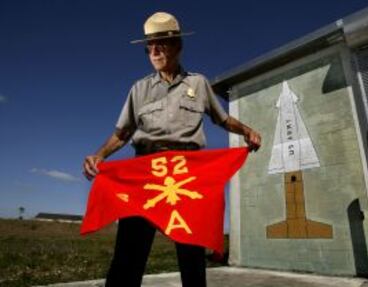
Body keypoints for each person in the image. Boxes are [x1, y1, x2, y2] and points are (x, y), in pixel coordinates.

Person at [82, 11, 261, 287]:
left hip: (187, 174)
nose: (153, 51)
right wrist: (100, 155)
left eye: (160, 44)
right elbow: (122, 134)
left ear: (177, 45)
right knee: (128, 256)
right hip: (145, 174)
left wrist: (246, 130)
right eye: (149, 46)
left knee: (191, 255)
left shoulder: (198, 83)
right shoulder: (139, 89)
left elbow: (222, 119)